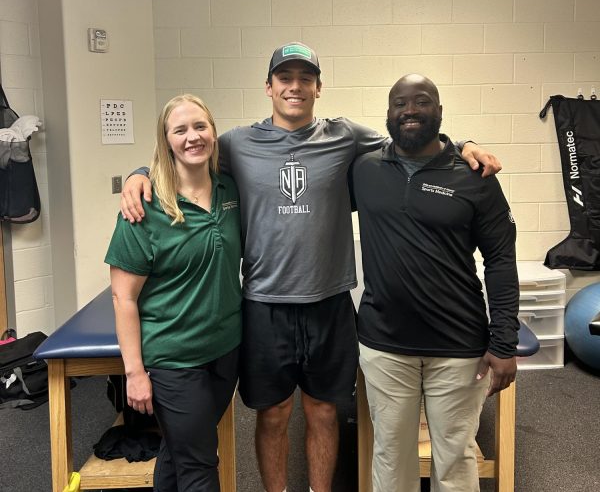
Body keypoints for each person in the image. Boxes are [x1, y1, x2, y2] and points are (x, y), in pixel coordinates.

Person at [119, 43, 502, 492]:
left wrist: (464, 144)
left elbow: (413, 138)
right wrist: (137, 172)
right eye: (285, 78)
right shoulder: (238, 143)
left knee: (323, 411)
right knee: (274, 413)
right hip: (264, 305)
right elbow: (185, 152)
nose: (295, 87)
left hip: (329, 303)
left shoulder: (344, 136)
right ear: (269, 87)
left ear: (319, 87)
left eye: (305, 78)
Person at [350, 74, 519, 492]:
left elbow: (500, 259)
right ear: (387, 113)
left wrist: (504, 342)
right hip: (384, 344)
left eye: (421, 102)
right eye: (399, 104)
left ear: (439, 112)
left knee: (455, 456)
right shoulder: (365, 169)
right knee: (390, 455)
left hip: (458, 346)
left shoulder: (474, 176)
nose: (409, 111)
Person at [105, 94, 242, 491]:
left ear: (214, 132)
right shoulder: (144, 207)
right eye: (180, 130)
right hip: (174, 359)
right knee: (200, 463)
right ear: (166, 141)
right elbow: (123, 298)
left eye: (200, 126)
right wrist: (134, 373)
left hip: (225, 350)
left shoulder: (229, 190)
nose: (192, 137)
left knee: (180, 450)